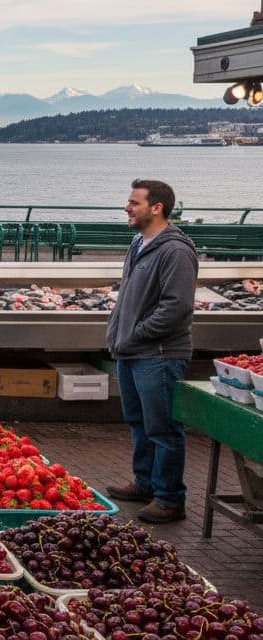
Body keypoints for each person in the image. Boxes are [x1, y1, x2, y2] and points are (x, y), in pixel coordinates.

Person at [104, 179, 198, 524]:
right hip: (131, 352)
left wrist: (138, 334)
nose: (126, 208)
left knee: (163, 428)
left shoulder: (175, 251)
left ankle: (171, 499)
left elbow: (177, 307)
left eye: (133, 202)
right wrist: (120, 335)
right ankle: (145, 483)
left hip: (158, 355)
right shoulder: (139, 243)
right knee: (139, 422)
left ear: (156, 207)